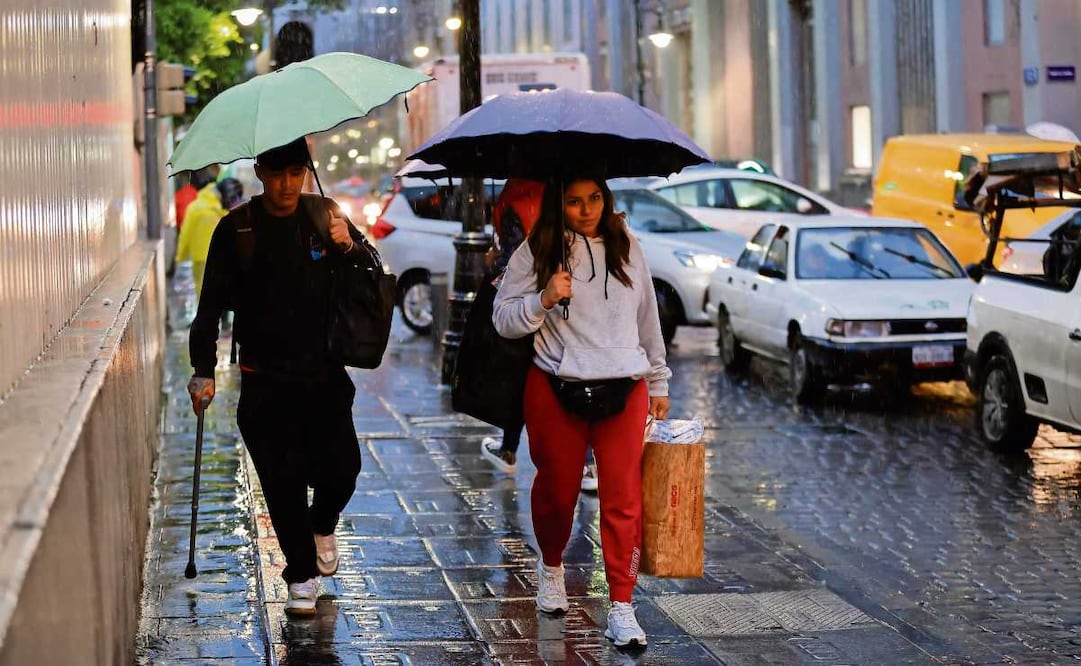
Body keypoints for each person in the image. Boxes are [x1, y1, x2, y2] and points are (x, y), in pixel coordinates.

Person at [186, 137, 371, 616]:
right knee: (282, 479)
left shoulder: (324, 214)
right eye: (278, 173)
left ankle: (322, 522)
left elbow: (367, 278)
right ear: (261, 173)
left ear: (306, 172)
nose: (288, 184)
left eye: (296, 173)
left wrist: (347, 246)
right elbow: (209, 307)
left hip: (324, 374)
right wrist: (202, 370)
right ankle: (301, 576)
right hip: (265, 378)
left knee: (343, 468)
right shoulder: (237, 229)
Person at [492, 174, 671, 648]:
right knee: (557, 492)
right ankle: (551, 564)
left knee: (623, 498)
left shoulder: (626, 244)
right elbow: (503, 318)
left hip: (623, 387)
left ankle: (622, 605)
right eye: (574, 202)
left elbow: (647, 316)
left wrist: (657, 379)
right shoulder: (538, 248)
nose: (587, 210)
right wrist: (544, 299)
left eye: (595, 199)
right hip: (556, 386)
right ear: (559, 204)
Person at [479, 179, 544, 474]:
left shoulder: (516, 202)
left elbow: (515, 260)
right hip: (561, 298)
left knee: (519, 380)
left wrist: (494, 262)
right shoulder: (558, 193)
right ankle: (587, 463)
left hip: (526, 305)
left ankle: (508, 449)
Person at [175, 177, 243, 299]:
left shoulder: (195, 207)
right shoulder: (222, 210)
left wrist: (181, 257)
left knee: (204, 295)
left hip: (202, 260)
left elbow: (185, 234)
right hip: (217, 259)